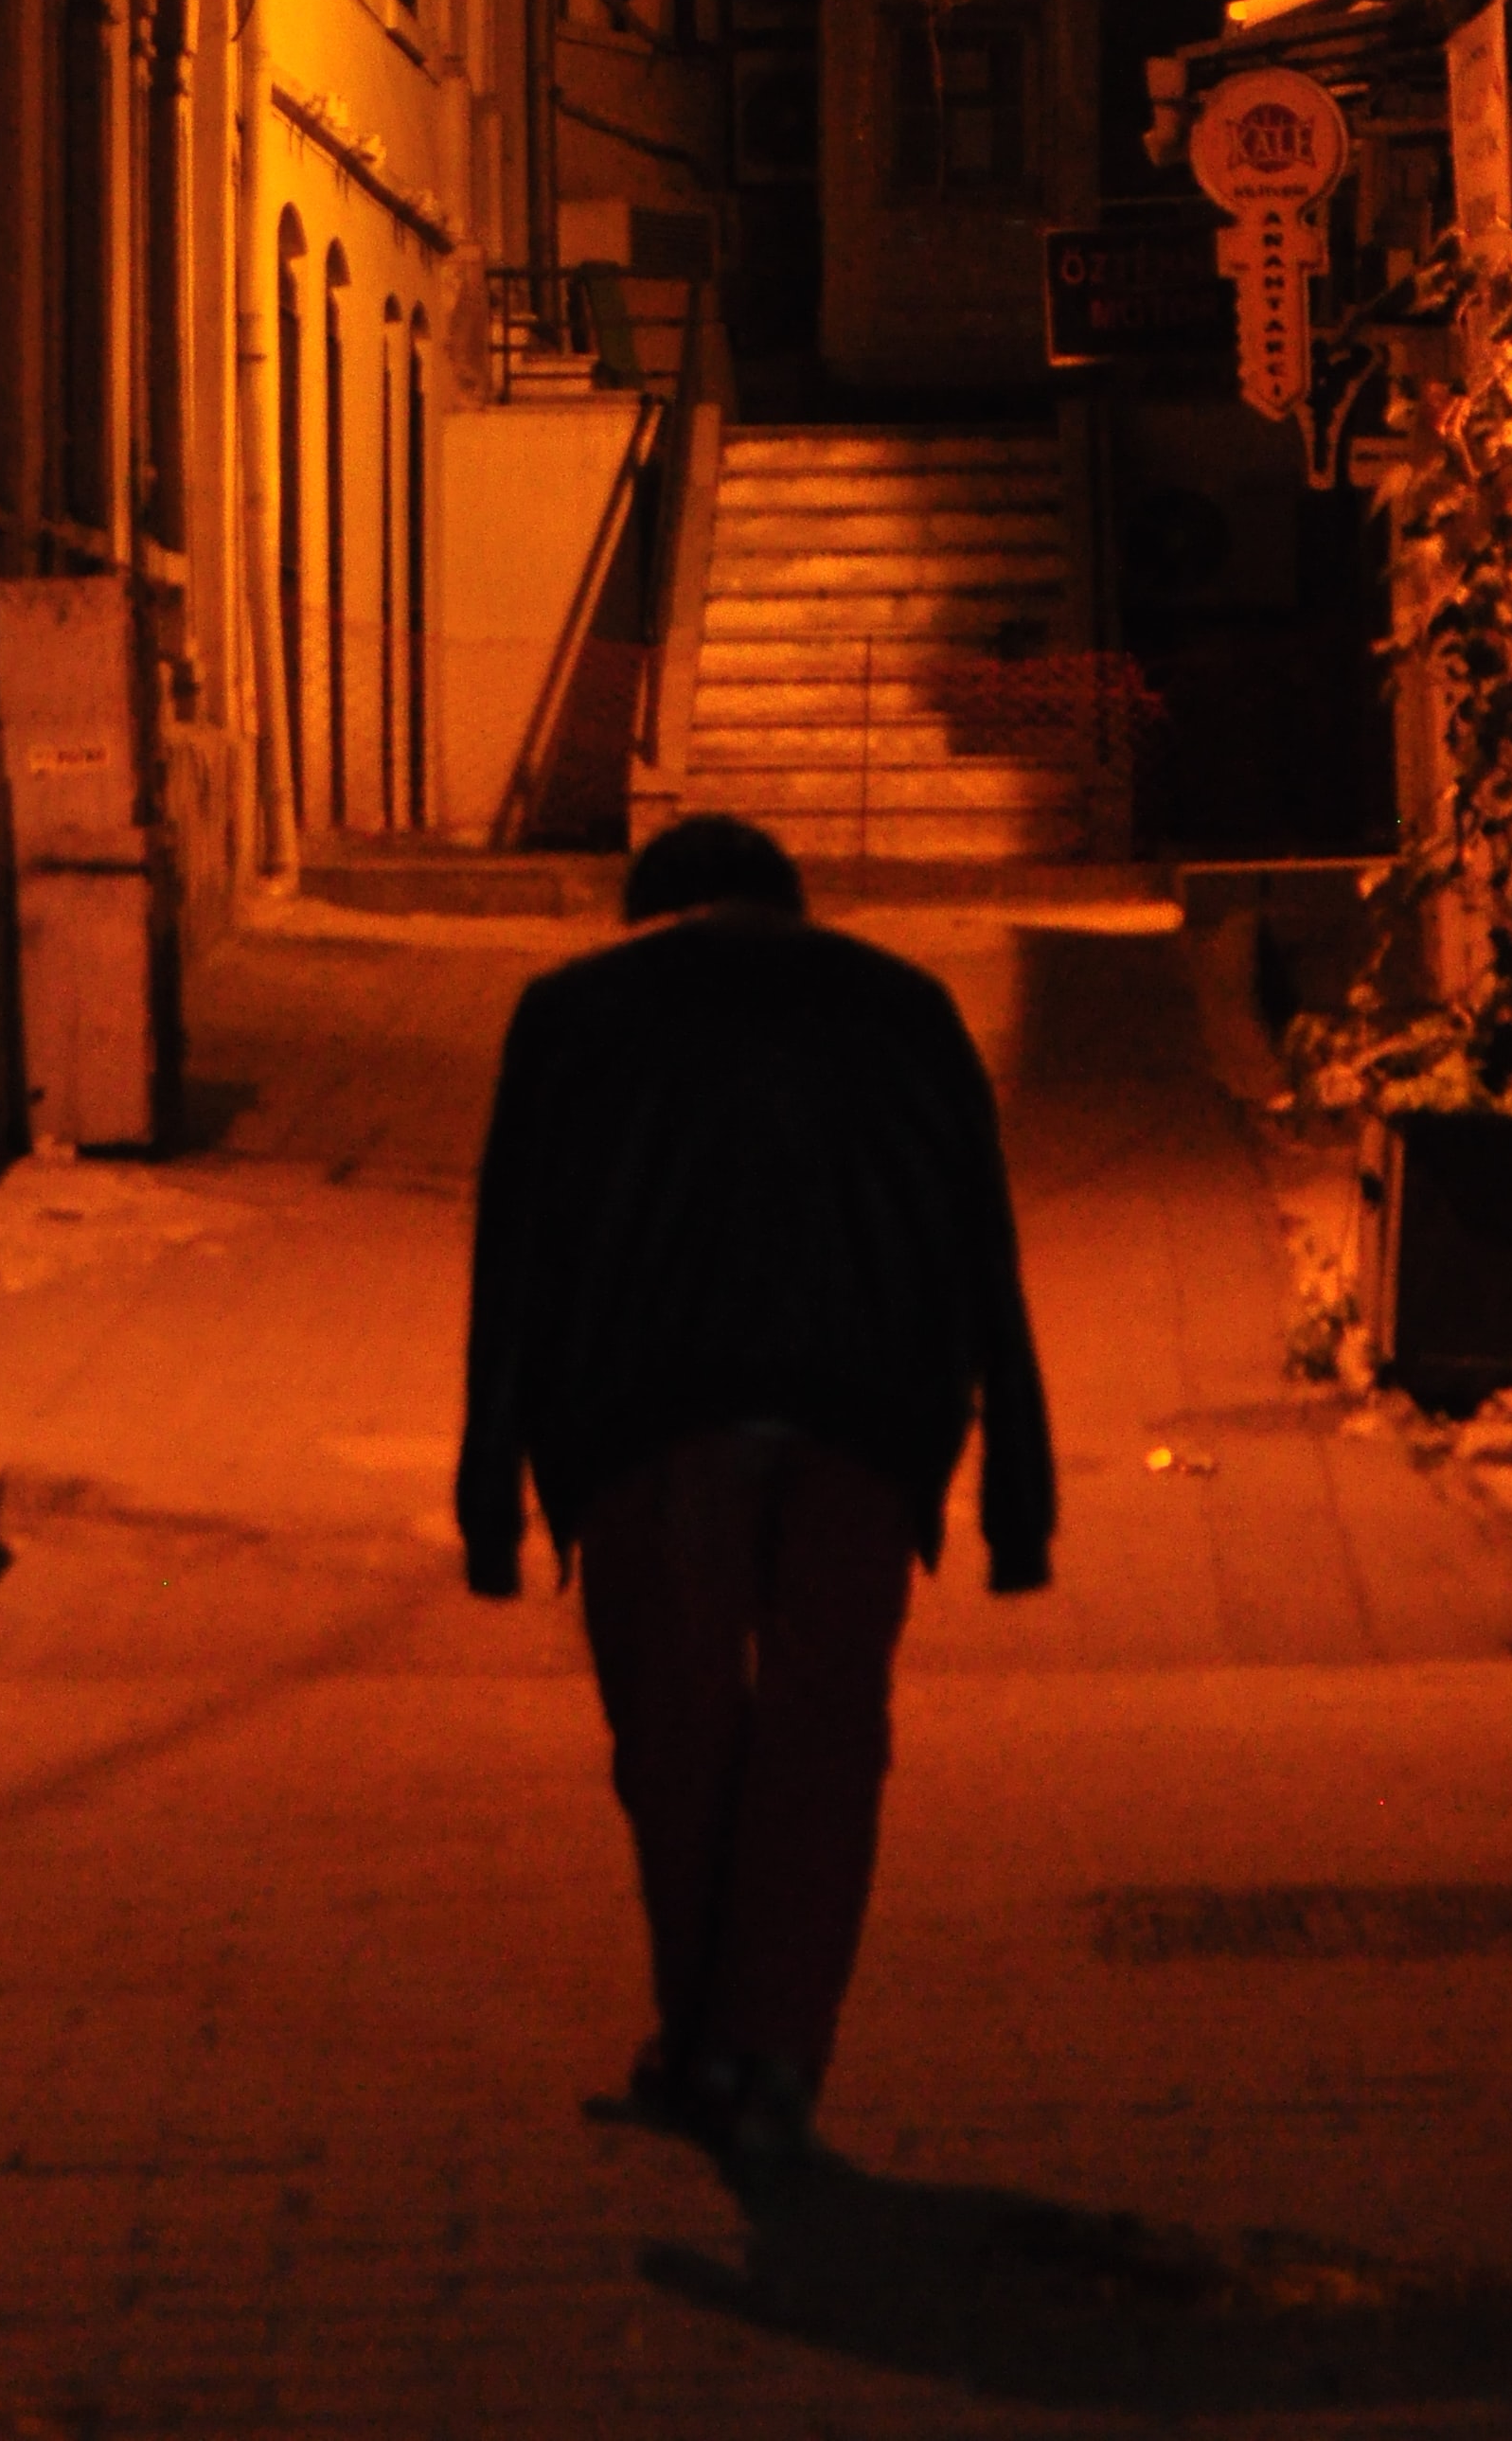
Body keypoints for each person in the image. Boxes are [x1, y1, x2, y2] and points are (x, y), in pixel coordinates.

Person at [456, 810, 1055, 2170]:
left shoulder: (571, 1015)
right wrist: (1016, 1480)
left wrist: (491, 1484)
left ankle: (705, 2042)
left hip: (650, 1422)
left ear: (648, 911)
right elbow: (980, 1240)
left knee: (680, 1748)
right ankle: (770, 2057)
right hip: (863, 1421)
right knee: (824, 1742)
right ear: (788, 905)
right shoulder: (906, 1007)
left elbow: (514, 1258)